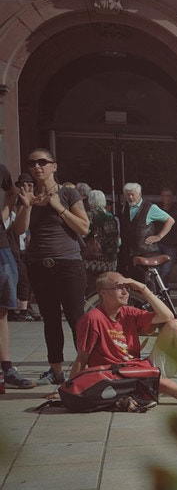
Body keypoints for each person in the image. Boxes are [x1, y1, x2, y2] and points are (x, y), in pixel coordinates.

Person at [70, 272, 177, 404]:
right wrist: (70, 388)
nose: (126, 292)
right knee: (165, 384)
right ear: (103, 292)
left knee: (175, 325)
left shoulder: (129, 312)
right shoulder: (92, 318)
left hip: (138, 368)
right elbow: (82, 358)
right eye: (119, 288)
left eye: (127, 288)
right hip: (116, 377)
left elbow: (167, 316)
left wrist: (143, 289)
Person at [13, 149, 90, 385]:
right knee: (50, 319)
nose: (37, 166)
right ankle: (56, 371)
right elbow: (18, 230)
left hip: (69, 264)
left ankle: (84, 369)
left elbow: (84, 227)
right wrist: (27, 206)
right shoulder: (27, 195)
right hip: (39, 265)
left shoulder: (68, 193)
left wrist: (58, 206)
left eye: (43, 162)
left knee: (76, 317)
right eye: (32, 163)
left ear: (54, 166)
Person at [0, 162, 33, 389]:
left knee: (1, 312)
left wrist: (3, 215)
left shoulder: (1, 170)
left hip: (1, 248)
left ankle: (7, 368)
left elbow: (10, 191)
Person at [119, 182, 174, 279]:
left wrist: (159, 236)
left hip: (146, 252)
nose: (130, 197)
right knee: (135, 284)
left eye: (133, 194)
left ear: (139, 194)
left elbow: (170, 220)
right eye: (128, 195)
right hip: (131, 253)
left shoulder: (149, 207)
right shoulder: (125, 208)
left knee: (149, 283)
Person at [81, 190, 120, 276]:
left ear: (90, 201)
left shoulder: (89, 215)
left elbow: (83, 233)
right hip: (111, 258)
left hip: (94, 259)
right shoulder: (111, 216)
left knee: (93, 285)